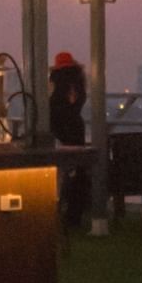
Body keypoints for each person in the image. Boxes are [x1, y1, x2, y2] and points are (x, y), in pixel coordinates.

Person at [49, 51, 90, 226]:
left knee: (64, 175)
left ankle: (64, 214)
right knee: (78, 173)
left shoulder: (56, 88)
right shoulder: (78, 87)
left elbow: (52, 112)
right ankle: (74, 216)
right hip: (75, 132)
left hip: (60, 133)